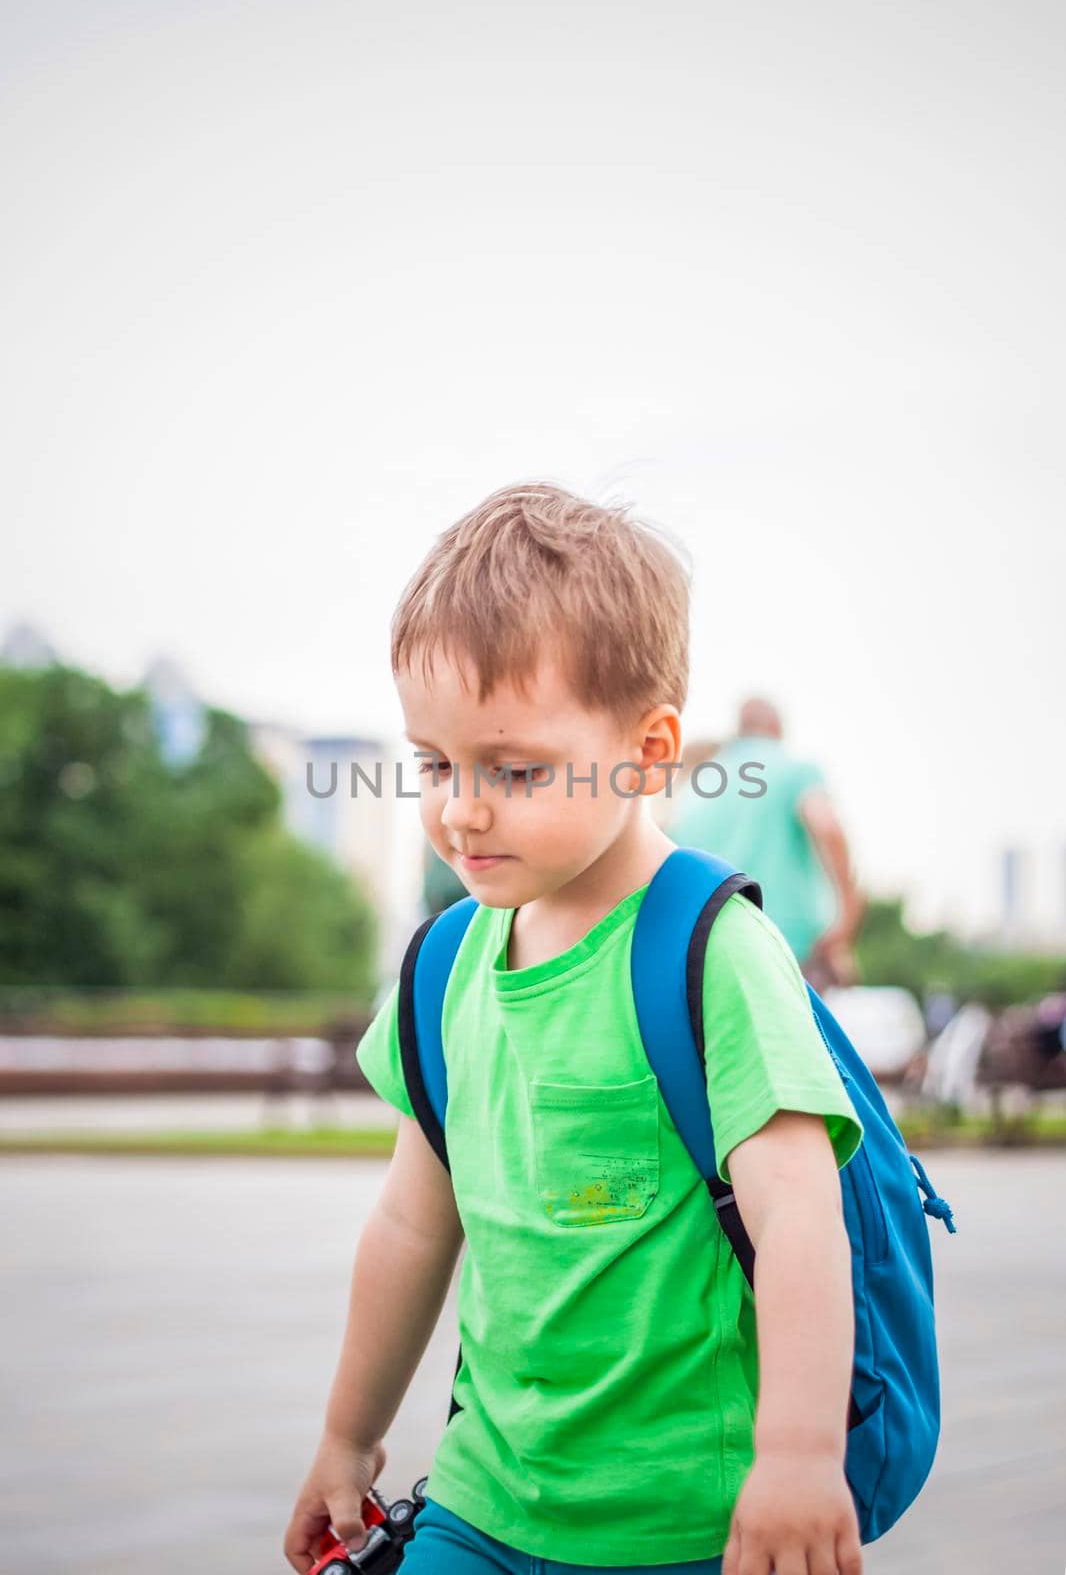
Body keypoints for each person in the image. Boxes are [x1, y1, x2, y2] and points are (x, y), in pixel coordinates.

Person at [284, 483, 866, 1575]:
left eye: (513, 768)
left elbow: (799, 1220)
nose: (461, 806)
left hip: (685, 1529)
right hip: (480, 1500)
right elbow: (413, 1226)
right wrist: (345, 1435)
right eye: (435, 762)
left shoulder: (709, 954)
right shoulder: (444, 965)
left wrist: (796, 1454)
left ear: (648, 753)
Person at [669, 699, 864, 991]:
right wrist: (848, 913)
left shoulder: (701, 784)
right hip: (787, 945)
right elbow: (827, 827)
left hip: (710, 950)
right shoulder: (794, 769)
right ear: (777, 728)